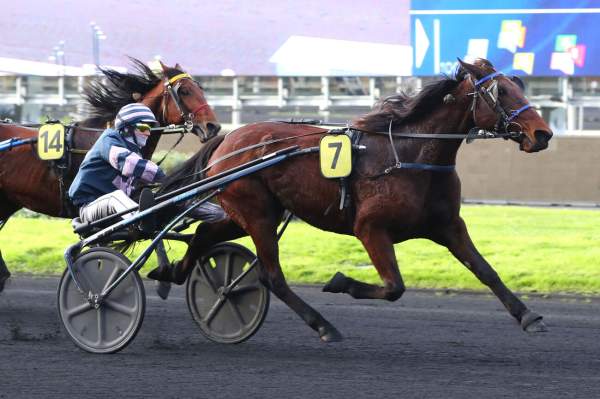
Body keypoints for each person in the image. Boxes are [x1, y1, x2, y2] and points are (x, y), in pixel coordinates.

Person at [69, 103, 225, 224]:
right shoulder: (108, 141)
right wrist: (169, 179)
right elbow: (131, 165)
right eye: (143, 127)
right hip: (90, 207)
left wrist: (174, 192)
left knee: (170, 196)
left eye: (150, 128)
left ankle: (219, 216)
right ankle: (140, 220)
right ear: (126, 128)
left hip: (120, 208)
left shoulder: (133, 149)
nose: (148, 132)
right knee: (115, 197)